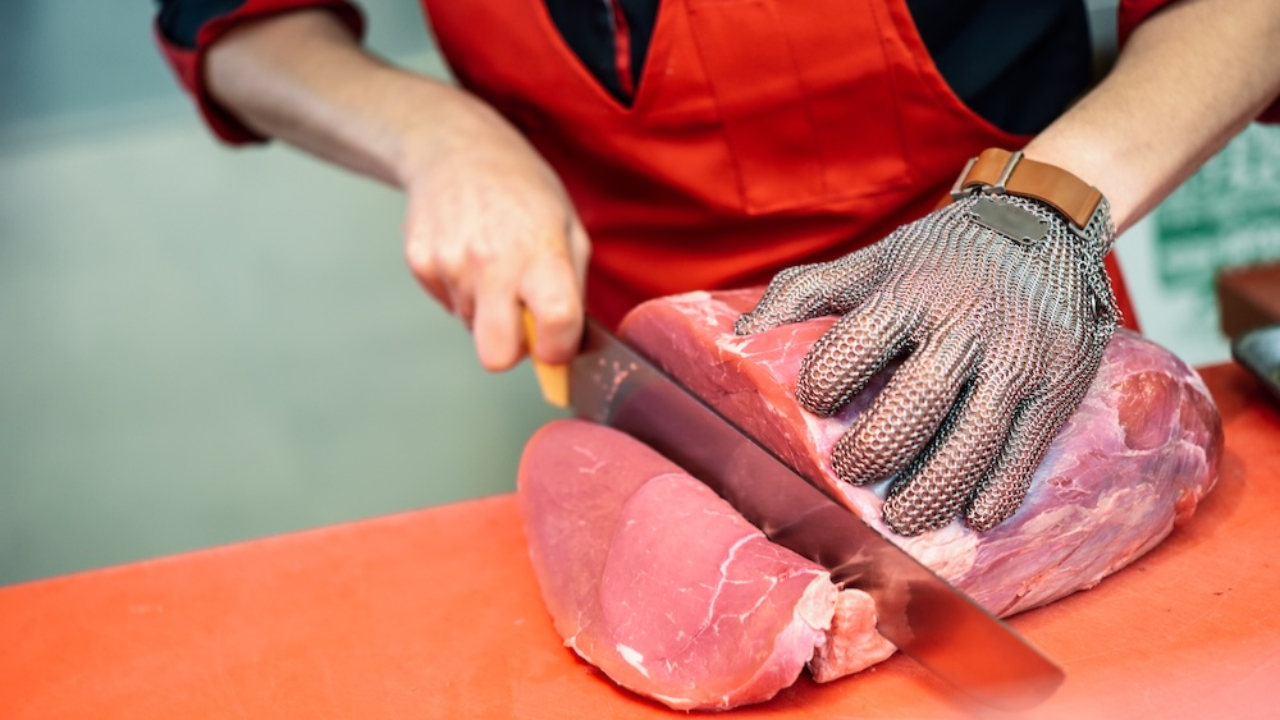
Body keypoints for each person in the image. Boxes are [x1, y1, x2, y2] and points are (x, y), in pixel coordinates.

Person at [153, 0, 1280, 534]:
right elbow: (242, 23)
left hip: (1004, 339)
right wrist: (438, 135)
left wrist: (1039, 211)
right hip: (657, 386)